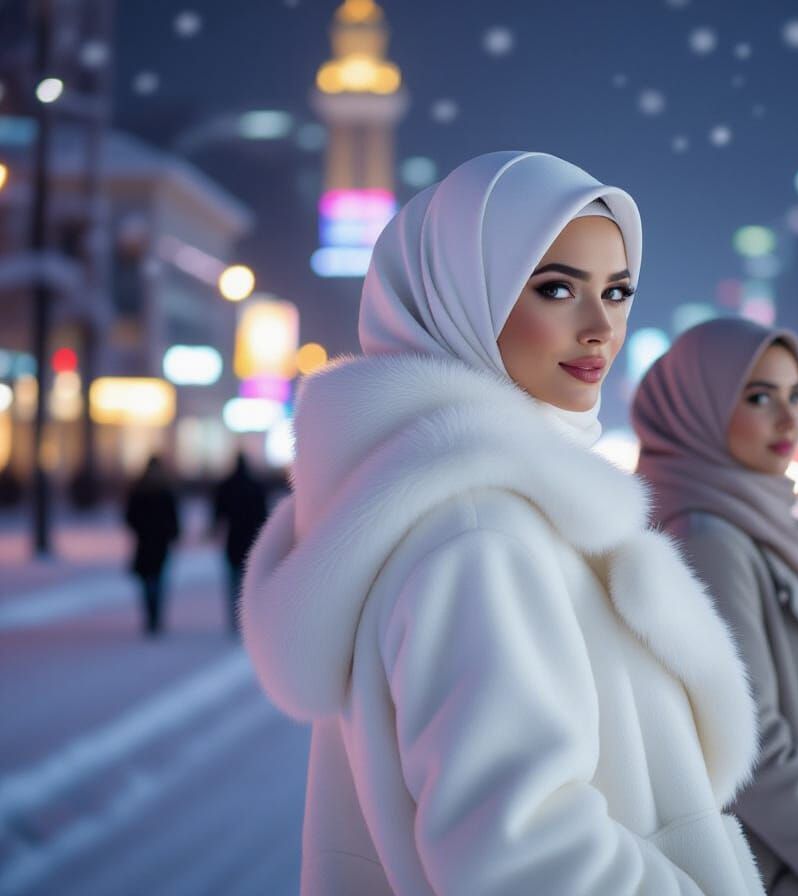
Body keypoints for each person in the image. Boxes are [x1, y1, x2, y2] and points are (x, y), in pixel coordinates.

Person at [241, 152, 764, 895]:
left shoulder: (463, 514)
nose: (601, 329)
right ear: (462, 298)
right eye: (557, 289)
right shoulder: (480, 537)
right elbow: (521, 857)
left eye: (617, 292)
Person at [632, 317, 798, 896]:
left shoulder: (755, 523)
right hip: (794, 869)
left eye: (794, 396)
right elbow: (741, 730)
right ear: (696, 408)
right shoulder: (708, 536)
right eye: (758, 397)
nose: (789, 419)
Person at [124, 455, 181, 637]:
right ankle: (155, 616)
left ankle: (151, 616)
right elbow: (173, 518)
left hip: (145, 543)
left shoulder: (139, 489)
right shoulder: (165, 490)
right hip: (160, 543)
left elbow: (129, 518)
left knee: (147, 580)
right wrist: (172, 534)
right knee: (158, 579)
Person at [212, 453, 268, 633]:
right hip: (252, 540)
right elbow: (263, 516)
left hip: (233, 540)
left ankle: (235, 618)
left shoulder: (226, 486)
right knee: (250, 581)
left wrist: (214, 530)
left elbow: (218, 514)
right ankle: (248, 617)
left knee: (233, 581)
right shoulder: (256, 486)